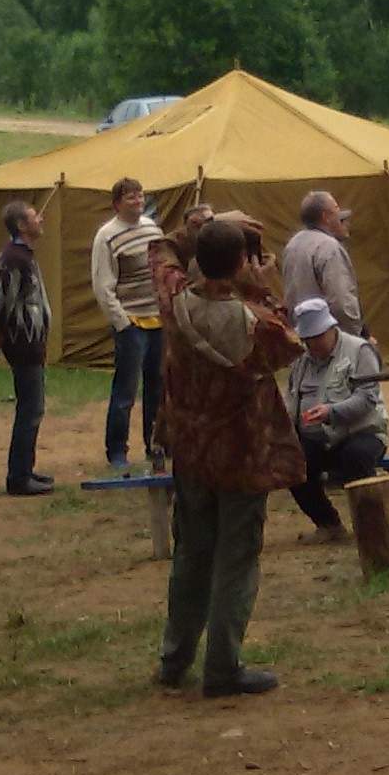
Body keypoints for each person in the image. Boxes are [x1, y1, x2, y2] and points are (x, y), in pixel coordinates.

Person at [158, 220, 303, 698]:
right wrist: (259, 284)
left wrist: (195, 228)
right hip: (242, 454)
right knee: (236, 559)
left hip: (191, 450)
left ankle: (175, 658)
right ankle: (222, 666)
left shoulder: (174, 302)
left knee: (192, 552)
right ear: (242, 262)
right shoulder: (257, 323)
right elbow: (290, 341)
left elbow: (161, 254)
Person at [286, 296, 389, 536]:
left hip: (361, 432)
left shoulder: (360, 351)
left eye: (317, 337)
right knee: (291, 464)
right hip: (317, 438)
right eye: (307, 339)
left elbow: (367, 398)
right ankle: (328, 524)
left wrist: (331, 411)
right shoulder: (301, 361)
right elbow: (291, 398)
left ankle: (371, 529)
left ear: (331, 328)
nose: (313, 344)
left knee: (357, 456)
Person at [90, 175, 166, 467]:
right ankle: (117, 451)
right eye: (131, 197)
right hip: (131, 322)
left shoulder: (152, 229)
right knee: (126, 390)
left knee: (157, 387)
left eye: (140, 195)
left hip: (157, 320)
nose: (137, 201)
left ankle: (155, 444)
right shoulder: (107, 236)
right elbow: (103, 285)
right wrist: (122, 322)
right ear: (117, 203)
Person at [0, 200, 53, 496]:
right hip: (22, 342)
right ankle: (19, 476)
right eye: (34, 216)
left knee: (33, 407)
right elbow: (1, 304)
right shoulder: (13, 260)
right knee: (30, 409)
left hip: (31, 342)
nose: (41, 219)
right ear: (22, 225)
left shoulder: (24, 256)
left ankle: (26, 469)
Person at [281, 189, 363, 332]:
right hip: (326, 334)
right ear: (325, 217)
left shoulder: (293, 244)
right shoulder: (328, 247)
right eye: (336, 209)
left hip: (300, 330)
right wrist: (356, 332)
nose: (340, 215)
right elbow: (340, 301)